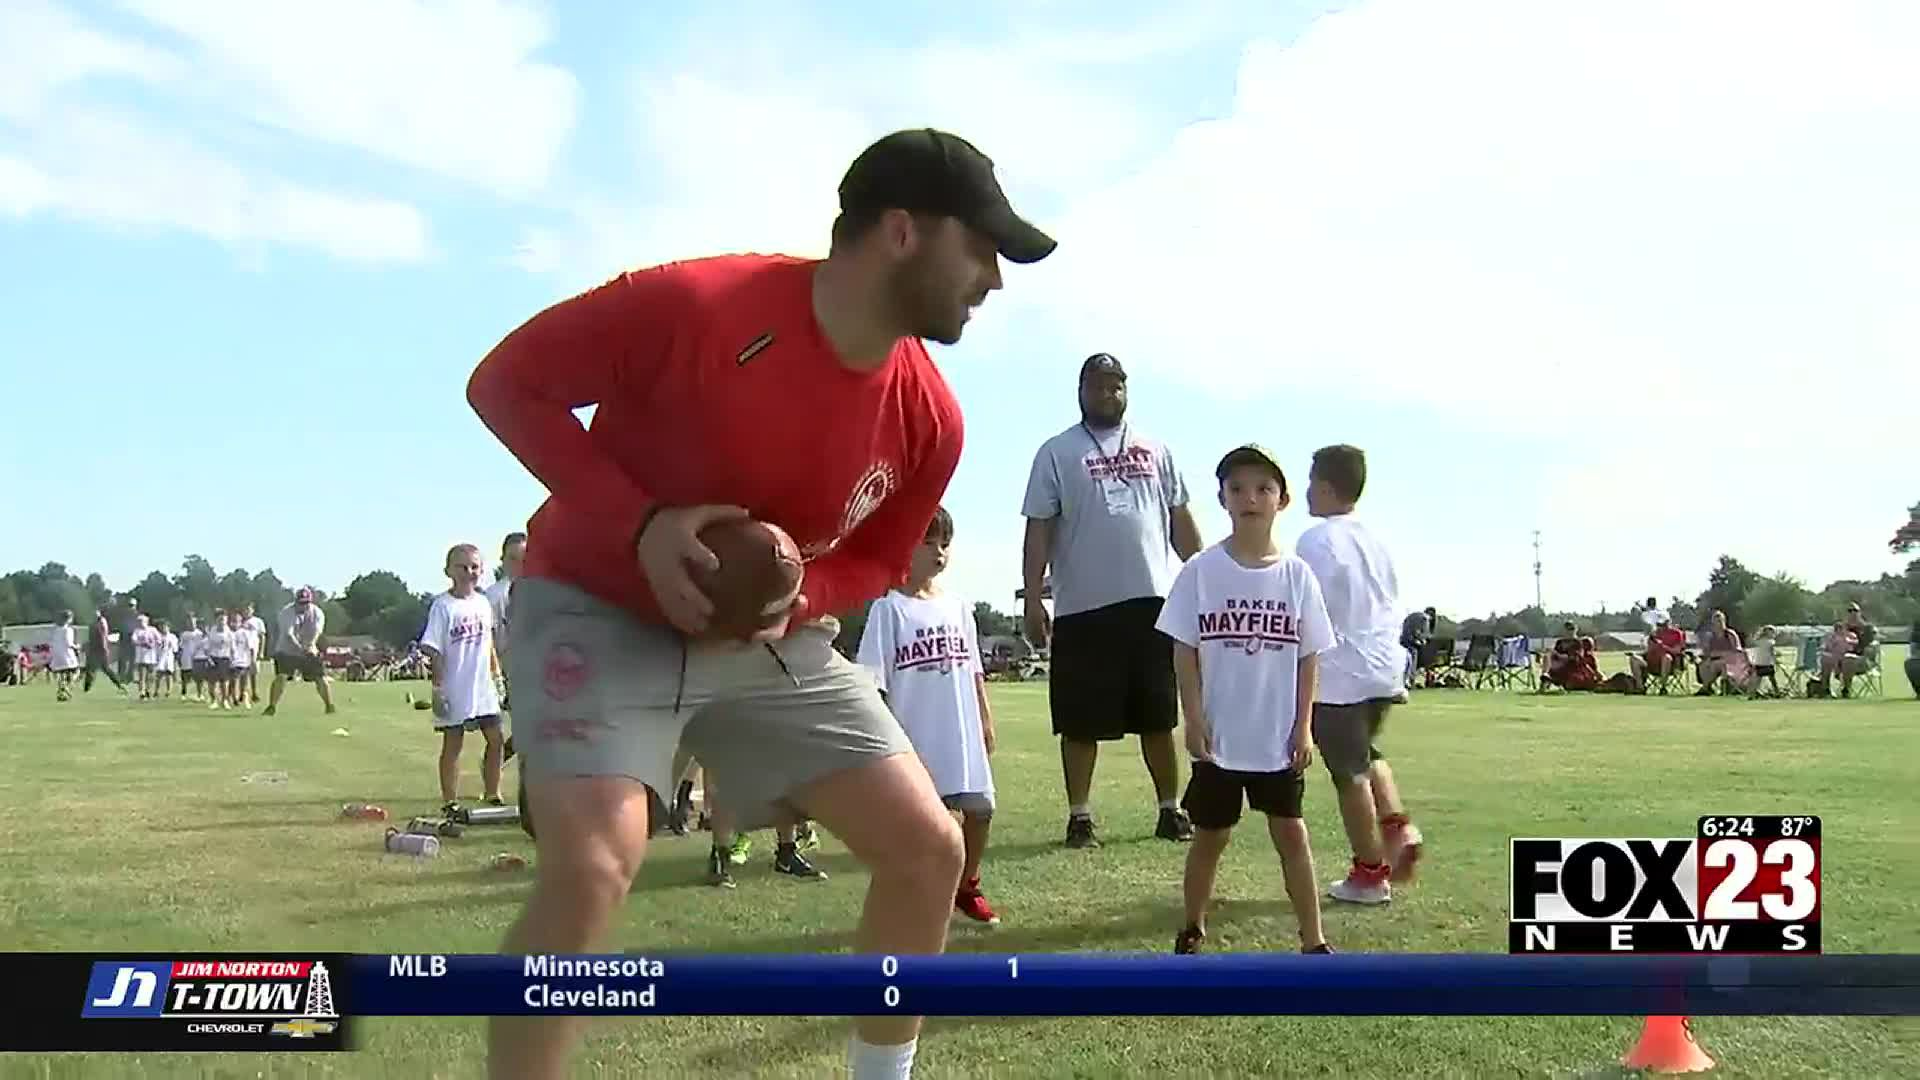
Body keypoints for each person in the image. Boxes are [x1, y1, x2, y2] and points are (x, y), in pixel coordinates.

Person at [465, 127, 1053, 1080]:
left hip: (765, 641)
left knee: (927, 850)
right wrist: (642, 523)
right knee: (596, 865)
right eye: (981, 248)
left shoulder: (932, 417)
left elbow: (876, 559)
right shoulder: (699, 303)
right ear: (901, 231)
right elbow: (505, 385)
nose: (993, 278)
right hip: (597, 603)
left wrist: (803, 592)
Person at [1020, 352, 1203, 849]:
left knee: (1158, 715)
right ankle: (1080, 817)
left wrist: (1208, 574)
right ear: (1081, 391)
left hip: (1150, 602)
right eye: (1098, 387)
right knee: (1079, 721)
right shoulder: (1056, 452)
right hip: (1082, 607)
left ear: (1127, 391)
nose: (1108, 394)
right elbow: (1039, 528)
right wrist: (1034, 598)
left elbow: (1178, 518)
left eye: (1116, 386)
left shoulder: (1155, 448)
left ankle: (1170, 809)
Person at [1157, 445, 1333, 955]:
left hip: (1275, 737)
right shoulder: (1201, 571)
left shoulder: (1297, 575)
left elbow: (1309, 655)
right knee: (1210, 837)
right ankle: (1192, 926)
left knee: (1292, 836)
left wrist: (1303, 727)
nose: (1249, 498)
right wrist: (1192, 718)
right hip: (1219, 736)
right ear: (1222, 498)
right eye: (1237, 488)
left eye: (1262, 488)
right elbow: (1184, 650)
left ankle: (1314, 939)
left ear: (1282, 501)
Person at [1294, 444, 1425, 905]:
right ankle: (1396, 826)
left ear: (1327, 487)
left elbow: (1307, 606)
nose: (1306, 492)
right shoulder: (1376, 538)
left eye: (1310, 483)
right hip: (1384, 668)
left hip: (1339, 673)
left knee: (1347, 773)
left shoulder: (1316, 540)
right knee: (1367, 753)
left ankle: (1370, 873)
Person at [858, 506, 1001, 925]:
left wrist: (985, 720)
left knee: (981, 810)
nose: (939, 552)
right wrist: (889, 744)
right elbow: (874, 682)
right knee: (927, 824)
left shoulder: (958, 608)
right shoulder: (888, 609)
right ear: (907, 545)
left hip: (962, 734)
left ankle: (967, 885)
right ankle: (919, 897)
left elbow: (974, 671)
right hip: (917, 737)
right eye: (929, 542)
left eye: (945, 544)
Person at [422, 544, 507, 811]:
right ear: (449, 570)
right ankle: (450, 801)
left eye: (474, 567)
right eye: (463, 567)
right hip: (455, 686)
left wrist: (496, 675)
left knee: (496, 739)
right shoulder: (442, 606)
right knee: (453, 743)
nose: (469, 572)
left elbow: (488, 642)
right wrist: (438, 688)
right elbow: (433, 648)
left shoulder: (483, 603)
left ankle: (493, 792)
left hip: (482, 687)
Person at [265, 588, 337, 716]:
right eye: (301, 603)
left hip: (309, 648)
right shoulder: (286, 612)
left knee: (320, 677)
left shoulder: (317, 613)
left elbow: (317, 631)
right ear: (296, 601)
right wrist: (300, 648)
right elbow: (289, 634)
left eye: (306, 603)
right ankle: (271, 707)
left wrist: (310, 645)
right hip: (287, 649)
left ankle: (329, 705)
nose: (303, 606)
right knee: (282, 676)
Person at [490, 531, 527, 765]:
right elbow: (489, 638)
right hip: (511, 670)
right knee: (528, 727)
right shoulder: (495, 596)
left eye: (524, 558)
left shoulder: (541, 590)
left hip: (539, 669)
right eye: (513, 558)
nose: (519, 564)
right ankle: (495, 762)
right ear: (503, 560)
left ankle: (496, 761)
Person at [1629, 616, 1687, 693]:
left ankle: (1663, 687)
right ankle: (1640, 687)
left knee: (1666, 657)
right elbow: (1648, 650)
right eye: (1658, 624)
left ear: (1668, 622)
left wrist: (1663, 646)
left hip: (1669, 664)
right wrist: (1638, 653)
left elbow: (1677, 651)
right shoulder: (1654, 634)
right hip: (1650, 663)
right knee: (1634, 658)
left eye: (1662, 624)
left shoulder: (1676, 633)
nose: (1660, 627)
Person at [83, 605, 125, 695]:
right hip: (93, 649)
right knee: (91, 669)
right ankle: (86, 688)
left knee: (105, 669)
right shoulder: (93, 624)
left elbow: (103, 636)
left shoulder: (101, 622)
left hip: (100, 649)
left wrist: (105, 648)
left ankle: (119, 684)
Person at [227, 610, 259, 711]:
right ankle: (233, 698)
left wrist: (252, 660)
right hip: (232, 661)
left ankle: (244, 698)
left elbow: (251, 647)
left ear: (241, 622)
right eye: (233, 621)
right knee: (233, 681)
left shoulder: (244, 633)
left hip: (243, 661)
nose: (234, 623)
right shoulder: (228, 633)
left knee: (243, 682)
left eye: (237, 621)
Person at [203, 608, 234, 709]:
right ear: (216, 620)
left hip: (225, 658)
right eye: (220, 619)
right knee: (211, 682)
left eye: (224, 619)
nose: (222, 622)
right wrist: (208, 658)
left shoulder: (229, 633)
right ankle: (213, 700)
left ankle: (225, 700)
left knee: (224, 681)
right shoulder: (212, 631)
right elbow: (207, 647)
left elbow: (233, 648)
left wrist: (232, 660)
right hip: (213, 658)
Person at [48, 610, 80, 701]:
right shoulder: (68, 630)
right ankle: (66, 687)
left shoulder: (55, 630)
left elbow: (51, 642)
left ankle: (61, 693)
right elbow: (69, 643)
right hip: (67, 655)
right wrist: (76, 647)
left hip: (57, 655)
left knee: (61, 674)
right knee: (76, 671)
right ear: (69, 619)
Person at [242, 604, 268, 705]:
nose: (246, 611)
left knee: (253, 673)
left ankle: (254, 692)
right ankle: (242, 693)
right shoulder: (240, 621)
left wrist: (261, 651)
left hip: (254, 650)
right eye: (245, 609)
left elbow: (262, 637)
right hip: (242, 651)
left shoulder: (258, 621)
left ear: (252, 610)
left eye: (248, 609)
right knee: (242, 673)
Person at [178, 614, 205, 702]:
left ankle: (200, 694)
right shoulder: (184, 634)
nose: (191, 624)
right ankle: (184, 693)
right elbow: (181, 647)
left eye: (193, 622)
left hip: (197, 657)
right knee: (185, 677)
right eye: (189, 622)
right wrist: (180, 658)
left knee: (199, 678)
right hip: (186, 657)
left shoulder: (199, 634)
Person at [131, 614, 159, 699]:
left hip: (151, 657)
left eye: (142, 621)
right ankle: (142, 692)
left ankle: (148, 690)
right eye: (139, 621)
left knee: (150, 676)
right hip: (141, 657)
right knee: (142, 676)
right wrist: (142, 643)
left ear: (146, 621)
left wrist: (152, 644)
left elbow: (159, 640)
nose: (140, 623)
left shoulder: (152, 630)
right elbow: (133, 640)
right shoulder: (137, 631)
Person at [154, 619, 179, 698]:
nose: (163, 628)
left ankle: (169, 691)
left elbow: (175, 649)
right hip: (161, 657)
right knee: (159, 674)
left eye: (165, 626)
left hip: (169, 656)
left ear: (168, 627)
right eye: (161, 626)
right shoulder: (158, 636)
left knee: (169, 674)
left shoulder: (172, 637)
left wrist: (172, 646)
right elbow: (156, 647)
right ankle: (156, 690)